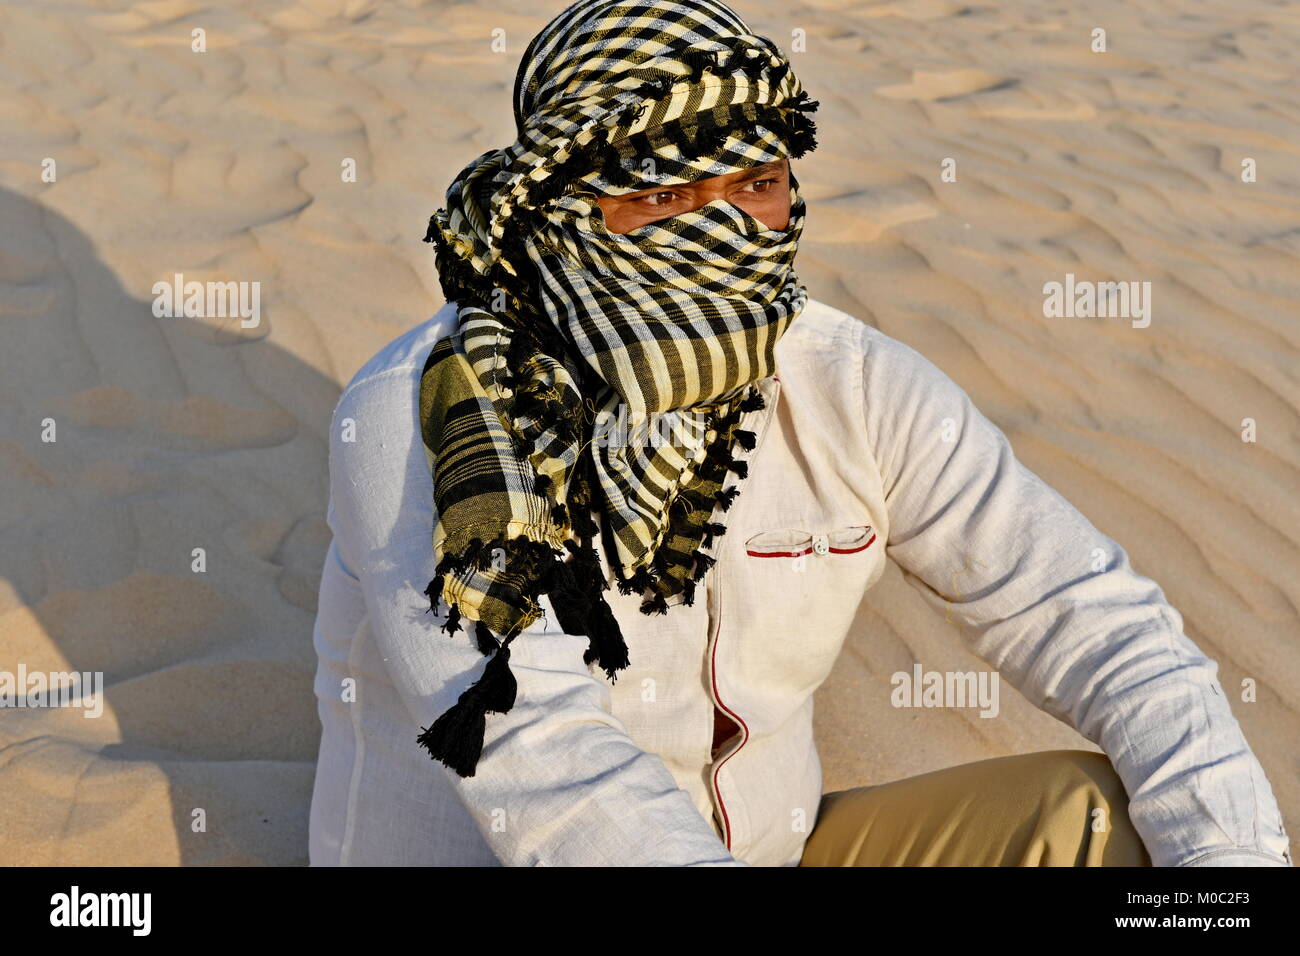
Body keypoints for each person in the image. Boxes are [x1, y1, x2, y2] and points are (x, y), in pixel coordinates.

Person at [307, 0, 1292, 867]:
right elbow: (541, 752)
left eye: (755, 184)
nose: (726, 232)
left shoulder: (849, 384)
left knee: (1100, 820)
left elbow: (1099, 623)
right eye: (664, 193)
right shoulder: (434, 413)